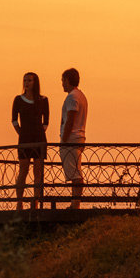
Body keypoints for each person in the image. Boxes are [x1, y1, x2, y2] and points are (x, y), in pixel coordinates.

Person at [12, 72, 49, 210]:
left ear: (35, 82)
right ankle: (19, 202)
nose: (26, 83)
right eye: (25, 80)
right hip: (24, 138)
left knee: (38, 171)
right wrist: (21, 133)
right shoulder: (18, 99)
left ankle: (36, 201)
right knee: (23, 169)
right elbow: (14, 119)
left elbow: (46, 121)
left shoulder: (43, 100)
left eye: (29, 80)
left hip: (39, 138)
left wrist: (39, 132)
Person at [60, 67, 88, 208]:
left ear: (68, 80)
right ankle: (75, 201)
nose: (62, 83)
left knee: (75, 172)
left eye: (63, 80)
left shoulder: (72, 97)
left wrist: (64, 138)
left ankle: (75, 202)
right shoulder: (80, 95)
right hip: (79, 137)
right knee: (75, 169)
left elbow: (70, 118)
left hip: (71, 138)